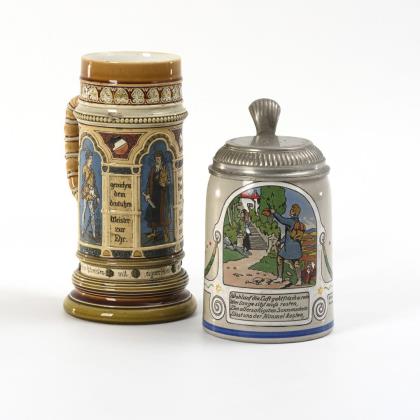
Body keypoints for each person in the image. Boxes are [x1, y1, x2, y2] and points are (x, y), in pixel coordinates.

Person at [267, 204, 305, 286]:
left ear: (293, 212)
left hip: (289, 246)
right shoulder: (297, 222)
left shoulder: (291, 221)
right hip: (296, 247)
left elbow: (282, 220)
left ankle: (280, 277)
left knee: (280, 258)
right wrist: (281, 241)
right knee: (295, 263)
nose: (290, 211)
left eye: (291, 210)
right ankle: (299, 280)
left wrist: (274, 212)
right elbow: (288, 235)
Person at [144, 151, 171, 242]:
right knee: (153, 213)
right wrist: (147, 194)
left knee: (162, 214)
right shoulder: (153, 169)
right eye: (156, 159)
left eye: (159, 159)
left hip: (161, 195)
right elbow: (149, 182)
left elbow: (167, 182)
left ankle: (166, 234)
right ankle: (153, 232)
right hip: (153, 194)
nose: (157, 160)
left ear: (161, 159)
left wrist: (164, 184)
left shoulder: (164, 169)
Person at [81, 151, 99, 239]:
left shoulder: (92, 170)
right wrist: (89, 189)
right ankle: (82, 230)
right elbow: (83, 181)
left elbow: (94, 183)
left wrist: (97, 195)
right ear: (87, 159)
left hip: (91, 191)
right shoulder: (84, 168)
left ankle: (94, 233)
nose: (91, 160)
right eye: (90, 158)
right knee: (84, 210)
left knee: (92, 213)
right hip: (86, 191)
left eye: (91, 158)